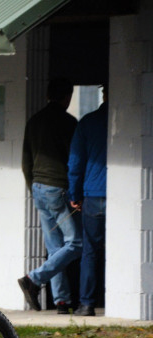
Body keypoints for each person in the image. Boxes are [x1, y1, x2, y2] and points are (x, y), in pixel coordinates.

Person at [17, 77, 80, 314]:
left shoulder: (33, 122)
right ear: (67, 97)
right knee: (75, 243)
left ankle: (61, 301)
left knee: (55, 247)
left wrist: (33, 187)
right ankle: (33, 278)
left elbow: (25, 161)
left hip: (38, 187)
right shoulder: (68, 122)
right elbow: (73, 160)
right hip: (58, 188)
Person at [67, 87, 108, 317]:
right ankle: (117, 299)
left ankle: (87, 304)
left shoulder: (88, 122)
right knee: (121, 250)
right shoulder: (125, 120)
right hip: (119, 196)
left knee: (90, 251)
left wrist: (75, 195)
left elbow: (75, 162)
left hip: (92, 196)